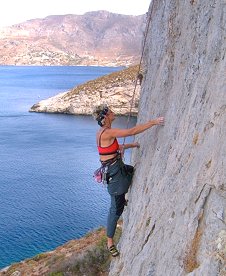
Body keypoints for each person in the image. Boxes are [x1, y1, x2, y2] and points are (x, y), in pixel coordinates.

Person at [92, 104, 164, 257]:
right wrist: (153, 122)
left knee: (131, 171)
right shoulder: (107, 133)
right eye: (110, 112)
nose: (113, 112)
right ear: (105, 118)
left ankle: (123, 196)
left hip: (117, 170)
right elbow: (131, 131)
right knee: (115, 209)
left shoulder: (102, 133)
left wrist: (132, 145)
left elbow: (113, 149)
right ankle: (110, 242)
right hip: (115, 175)